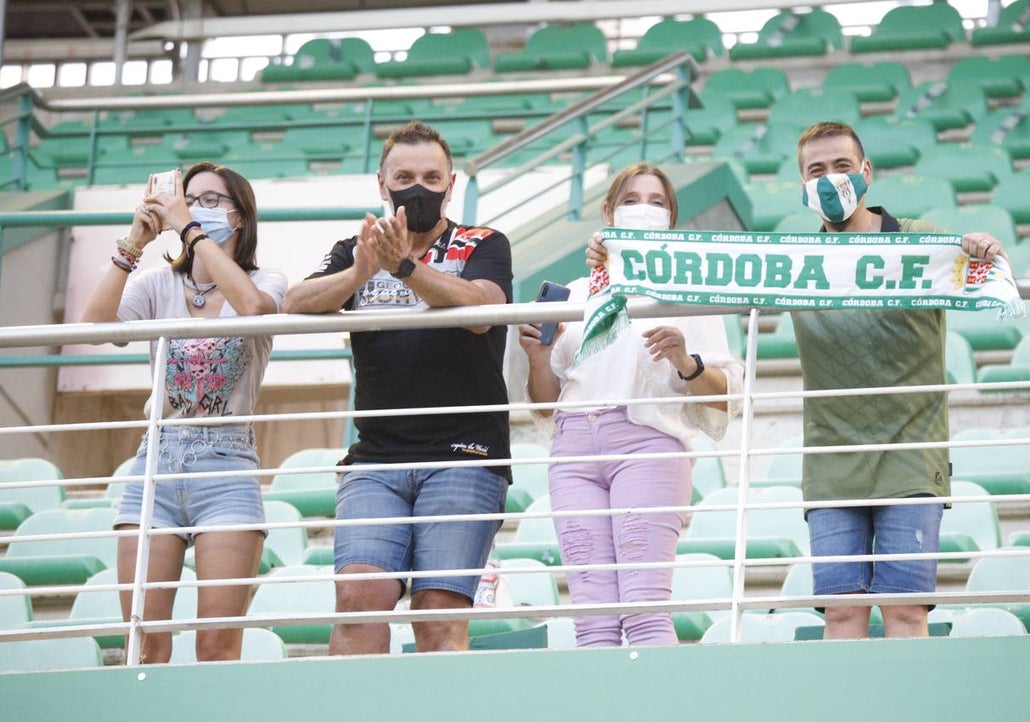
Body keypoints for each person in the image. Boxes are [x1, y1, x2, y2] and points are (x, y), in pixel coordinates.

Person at [281, 121, 513, 655]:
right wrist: (361, 273)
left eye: (432, 177)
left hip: (464, 456)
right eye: (404, 176)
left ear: (450, 184)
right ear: (381, 185)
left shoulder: (484, 242)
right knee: (358, 602)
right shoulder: (355, 249)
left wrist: (404, 267)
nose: (419, 187)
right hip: (376, 460)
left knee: (438, 617)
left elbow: (481, 311)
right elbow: (293, 303)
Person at [790, 121, 1008, 639]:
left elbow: (991, 272)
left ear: (866, 172)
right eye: (815, 171)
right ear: (801, 185)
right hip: (831, 463)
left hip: (911, 458)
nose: (830, 179)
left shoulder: (921, 242)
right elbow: (693, 272)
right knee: (842, 614)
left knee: (906, 612)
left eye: (841, 167)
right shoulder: (793, 261)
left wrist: (984, 247)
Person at [520, 163, 744, 647]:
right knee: (593, 618)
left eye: (658, 202)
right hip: (573, 451)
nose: (644, 208)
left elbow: (727, 396)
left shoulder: (690, 291)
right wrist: (537, 359)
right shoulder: (577, 294)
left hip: (649, 445)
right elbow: (544, 403)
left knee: (644, 610)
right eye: (632, 198)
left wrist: (686, 362)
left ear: (671, 219)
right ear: (608, 211)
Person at [80, 162, 286, 662]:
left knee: (217, 642)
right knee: (145, 639)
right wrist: (134, 241)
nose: (195, 208)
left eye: (212, 201)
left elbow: (254, 309)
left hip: (228, 460)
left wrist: (190, 230)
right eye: (189, 198)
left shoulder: (268, 280)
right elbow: (94, 327)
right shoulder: (156, 284)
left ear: (241, 217)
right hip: (156, 460)